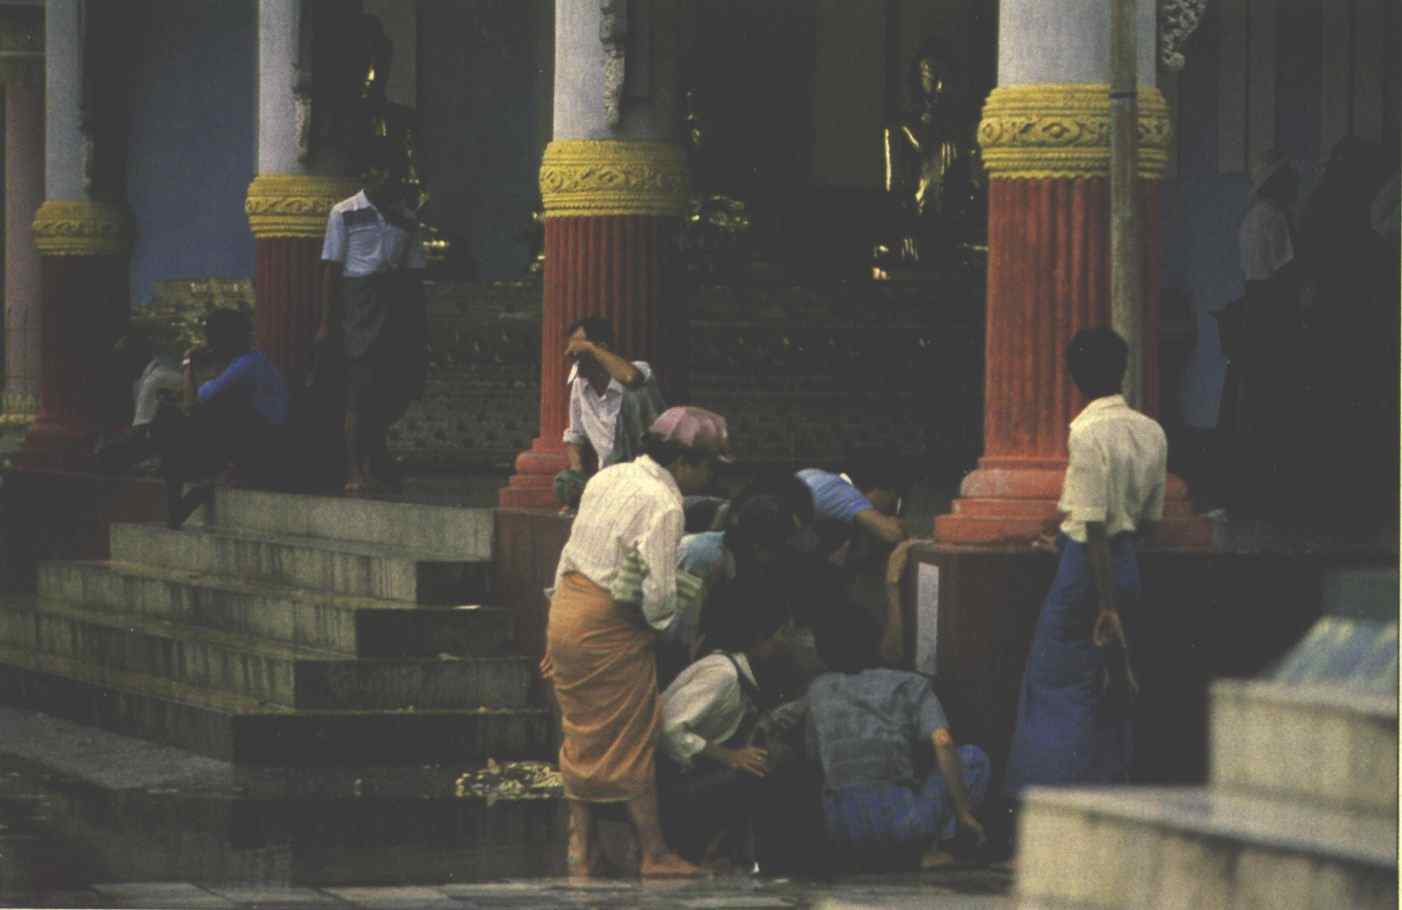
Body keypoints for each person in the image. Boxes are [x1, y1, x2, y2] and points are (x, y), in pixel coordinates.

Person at [541, 406, 733, 879]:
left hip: (567, 609)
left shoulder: (609, 478)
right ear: (686, 462)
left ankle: (581, 848)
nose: (709, 476)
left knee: (583, 734)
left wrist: (554, 626)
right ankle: (654, 850)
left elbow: (569, 552)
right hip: (609, 623)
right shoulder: (665, 505)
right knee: (632, 735)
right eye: (709, 465)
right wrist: (663, 628)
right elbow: (659, 596)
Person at [1003, 328, 1164, 804]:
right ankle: (1109, 799)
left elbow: (1093, 525)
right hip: (1127, 562)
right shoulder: (1151, 431)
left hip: (1087, 575)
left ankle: (1052, 805)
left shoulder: (1087, 432)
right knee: (1113, 690)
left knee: (1056, 690)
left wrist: (1105, 603)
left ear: (1073, 376)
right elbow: (1146, 520)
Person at [806, 603, 989, 872]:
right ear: (877, 639)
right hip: (902, 827)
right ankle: (936, 850)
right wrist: (963, 812)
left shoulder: (817, 690)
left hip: (840, 830)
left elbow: (813, 755)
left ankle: (866, 858)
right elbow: (942, 741)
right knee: (973, 757)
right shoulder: (909, 684)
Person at [318, 165, 429, 495]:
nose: (389, 179)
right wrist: (326, 321)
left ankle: (377, 460)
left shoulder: (406, 218)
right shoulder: (344, 212)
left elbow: (413, 274)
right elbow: (332, 268)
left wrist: (418, 325)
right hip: (359, 302)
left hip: (395, 302)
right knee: (359, 391)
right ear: (366, 176)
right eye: (382, 173)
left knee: (390, 389)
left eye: (392, 175)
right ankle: (354, 468)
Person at [656, 596, 789, 867]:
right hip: (666, 787)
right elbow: (669, 730)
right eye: (781, 635)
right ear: (760, 640)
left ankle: (725, 853)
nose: (785, 643)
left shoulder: (744, 677)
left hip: (685, 777)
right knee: (752, 773)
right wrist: (729, 756)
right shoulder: (723, 675)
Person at [155, 309, 290, 529]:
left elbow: (193, 403)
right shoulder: (248, 362)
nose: (209, 346)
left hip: (267, 450)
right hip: (253, 442)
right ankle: (180, 501)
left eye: (212, 340)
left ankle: (192, 490)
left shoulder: (248, 365)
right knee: (169, 417)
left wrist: (189, 363)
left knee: (177, 417)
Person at [1225, 147, 1301, 519]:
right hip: (1272, 308)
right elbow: (1285, 272)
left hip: (1254, 304)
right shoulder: (1275, 218)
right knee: (1274, 396)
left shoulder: (1253, 217)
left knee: (1254, 395)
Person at [555, 316, 666, 513]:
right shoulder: (580, 385)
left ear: (601, 348)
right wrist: (577, 474)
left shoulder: (638, 368)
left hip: (646, 473)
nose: (572, 354)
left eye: (578, 348)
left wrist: (590, 349)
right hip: (610, 478)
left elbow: (631, 378)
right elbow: (575, 434)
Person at [796, 448, 907, 561]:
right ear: (880, 491)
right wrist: (892, 523)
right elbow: (892, 534)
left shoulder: (813, 474)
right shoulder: (845, 493)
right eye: (891, 501)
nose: (889, 510)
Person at [94, 333, 184, 473]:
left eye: (121, 359)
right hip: (167, 442)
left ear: (133, 358)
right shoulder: (156, 375)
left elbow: (140, 432)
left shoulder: (153, 381)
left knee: (104, 457)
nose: (119, 366)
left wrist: (106, 448)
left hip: (167, 450)